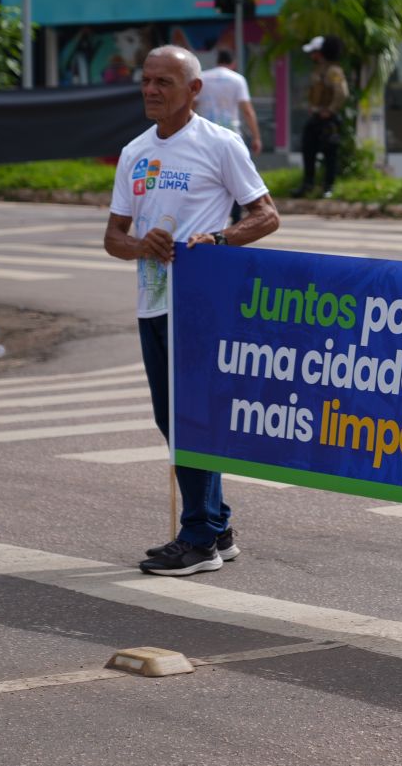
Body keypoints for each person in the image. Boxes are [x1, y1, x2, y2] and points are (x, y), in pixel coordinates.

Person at [104, 45, 280, 576]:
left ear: (194, 90)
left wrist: (218, 240)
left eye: (166, 82)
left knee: (192, 417)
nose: (152, 90)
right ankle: (217, 526)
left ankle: (199, 536)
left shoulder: (219, 144)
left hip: (203, 307)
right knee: (172, 417)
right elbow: (114, 237)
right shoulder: (134, 152)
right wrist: (143, 247)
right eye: (147, 80)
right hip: (153, 303)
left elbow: (266, 215)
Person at [198, 48, 262, 221]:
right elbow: (247, 111)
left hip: (204, 135)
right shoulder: (238, 80)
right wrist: (256, 137)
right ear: (232, 63)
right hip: (231, 135)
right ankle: (235, 216)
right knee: (234, 177)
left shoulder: (202, 78)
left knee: (205, 176)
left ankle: (208, 215)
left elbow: (191, 106)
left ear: (217, 60)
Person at [294, 35, 347, 199]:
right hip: (317, 117)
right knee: (307, 149)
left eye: (314, 52)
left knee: (330, 154)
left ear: (321, 52)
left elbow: (342, 93)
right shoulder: (319, 70)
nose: (312, 56)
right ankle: (308, 184)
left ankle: (328, 187)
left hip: (328, 119)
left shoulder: (333, 71)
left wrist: (329, 110)